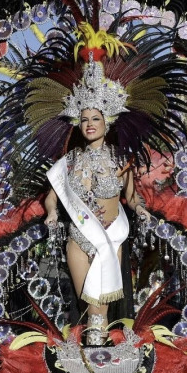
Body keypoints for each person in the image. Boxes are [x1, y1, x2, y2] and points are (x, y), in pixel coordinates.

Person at [43, 62, 149, 345]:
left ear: (107, 122)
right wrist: (51, 213)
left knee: (98, 317)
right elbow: (52, 197)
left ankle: (99, 365)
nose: (90, 124)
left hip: (110, 240)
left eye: (95, 119)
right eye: (85, 119)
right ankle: (95, 366)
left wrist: (139, 209)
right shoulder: (69, 162)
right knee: (87, 305)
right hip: (78, 239)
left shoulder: (120, 160)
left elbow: (131, 196)